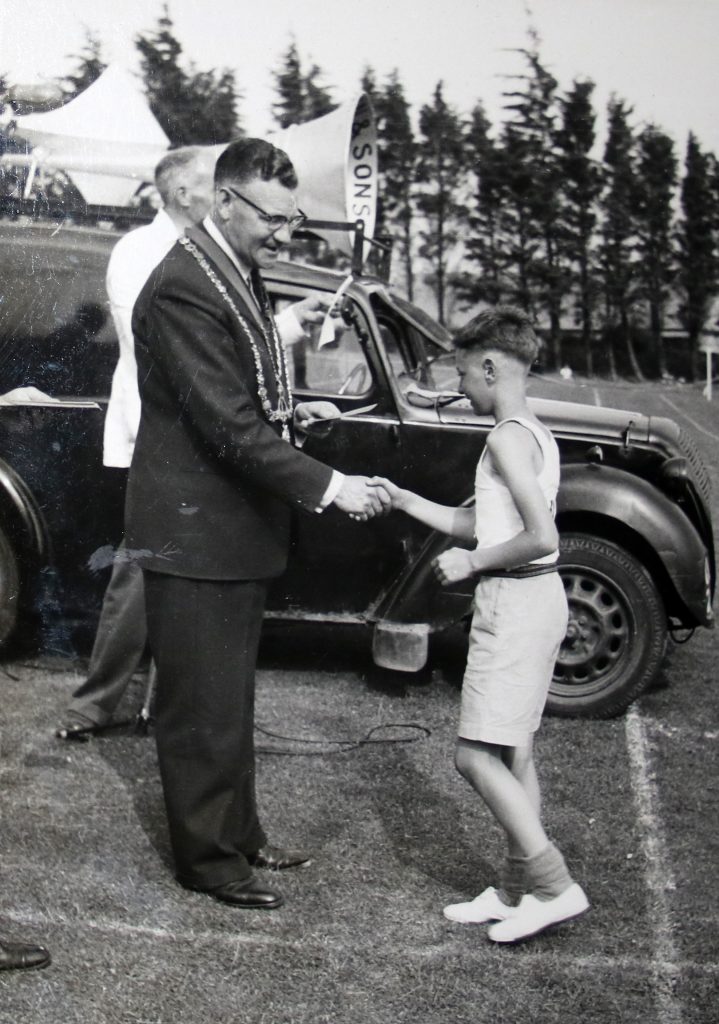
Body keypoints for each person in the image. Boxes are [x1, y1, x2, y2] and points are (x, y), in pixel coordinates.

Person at [124, 137, 389, 910]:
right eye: (273, 217)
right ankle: (207, 860)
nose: (283, 231)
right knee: (197, 704)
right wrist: (330, 485)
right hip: (196, 528)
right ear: (226, 201)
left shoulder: (233, 263)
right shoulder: (182, 286)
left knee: (228, 695)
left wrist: (288, 410)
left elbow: (243, 395)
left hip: (231, 525)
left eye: (291, 216)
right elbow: (227, 427)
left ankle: (238, 831)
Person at [59, 146, 328, 739]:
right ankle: (96, 702)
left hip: (196, 437)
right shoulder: (146, 256)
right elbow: (180, 361)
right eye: (212, 184)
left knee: (177, 588)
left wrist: (282, 333)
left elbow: (229, 351)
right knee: (145, 578)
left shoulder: (221, 261)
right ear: (185, 194)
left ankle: (157, 703)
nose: (220, 194)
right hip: (157, 438)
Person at [371, 306, 588, 943]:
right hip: (536, 600)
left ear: (491, 367)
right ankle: (518, 891)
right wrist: (408, 500)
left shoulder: (503, 438)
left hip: (516, 602)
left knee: (473, 756)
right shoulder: (533, 432)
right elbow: (484, 523)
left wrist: (473, 565)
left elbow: (538, 537)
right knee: (512, 749)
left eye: (465, 372)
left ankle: (553, 886)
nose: (461, 385)